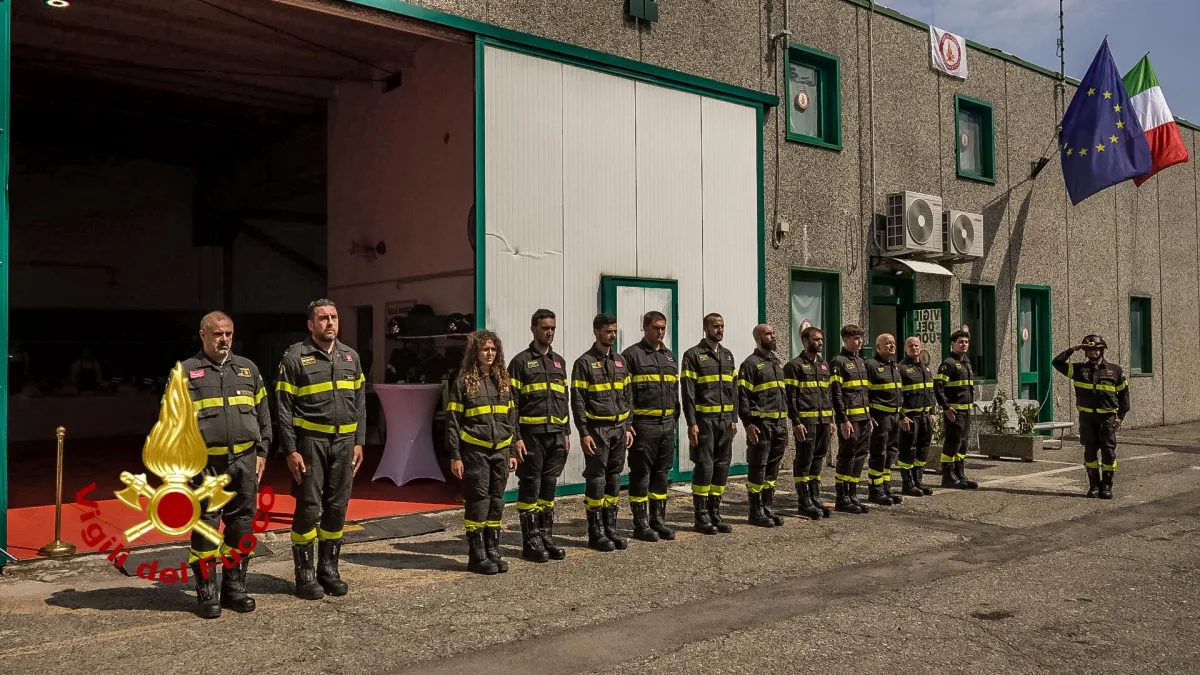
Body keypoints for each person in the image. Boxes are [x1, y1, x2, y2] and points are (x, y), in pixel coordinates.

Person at [181, 311, 271, 619]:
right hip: (205, 463)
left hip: (245, 459)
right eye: (218, 334)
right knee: (206, 527)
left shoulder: (248, 369)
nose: (224, 340)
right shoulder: (185, 372)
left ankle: (234, 589)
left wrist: (262, 452)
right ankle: (207, 593)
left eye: (229, 334)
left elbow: (263, 413)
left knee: (242, 524)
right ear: (203, 335)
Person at [275, 299, 366, 600]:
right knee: (309, 508)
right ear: (311, 325)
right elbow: (283, 409)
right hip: (310, 443)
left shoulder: (350, 357)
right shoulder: (295, 357)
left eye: (334, 317)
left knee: (338, 508)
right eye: (323, 318)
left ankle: (329, 570)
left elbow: (361, 405)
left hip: (344, 445)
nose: (330, 322)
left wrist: (359, 443)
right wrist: (290, 449)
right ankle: (305, 575)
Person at [447, 330, 519, 574]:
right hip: (475, 452)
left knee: (497, 501)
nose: (490, 353)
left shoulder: (503, 382)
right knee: (478, 502)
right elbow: (453, 422)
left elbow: (511, 418)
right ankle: (476, 555)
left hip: (500, 451)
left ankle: (492, 549)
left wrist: (510, 450)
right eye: (485, 349)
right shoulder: (463, 383)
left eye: (493, 349)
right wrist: (455, 455)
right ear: (475, 353)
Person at [508, 309, 571, 562]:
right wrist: (516, 437)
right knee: (530, 486)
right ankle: (530, 540)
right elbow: (511, 403)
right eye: (545, 327)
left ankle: (546, 535)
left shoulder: (559, 362)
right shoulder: (520, 362)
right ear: (533, 329)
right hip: (531, 437)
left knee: (549, 487)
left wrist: (566, 431)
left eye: (553, 328)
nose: (550, 332)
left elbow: (564, 400)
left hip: (555, 435)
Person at [571, 313, 634, 552]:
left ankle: (611, 528)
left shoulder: (619, 361)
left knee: (615, 477)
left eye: (615, 331)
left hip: (619, 428)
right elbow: (578, 401)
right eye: (608, 331)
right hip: (597, 430)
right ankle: (595, 532)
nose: (613, 335)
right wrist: (583, 432)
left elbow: (627, 396)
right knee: (597, 479)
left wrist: (628, 425)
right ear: (596, 332)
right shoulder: (584, 363)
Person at [621, 311, 680, 542]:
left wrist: (674, 420)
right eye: (656, 327)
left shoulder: (669, 357)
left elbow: (674, 392)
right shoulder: (632, 356)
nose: (660, 332)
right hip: (643, 427)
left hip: (666, 425)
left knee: (661, 475)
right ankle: (641, 523)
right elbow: (626, 394)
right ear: (644, 327)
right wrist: (629, 423)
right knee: (641, 475)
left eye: (663, 328)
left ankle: (658, 520)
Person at [680, 313, 739, 534]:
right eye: (715, 326)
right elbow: (688, 393)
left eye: (722, 326)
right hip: (705, 422)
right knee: (705, 467)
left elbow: (734, 391)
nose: (720, 330)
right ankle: (701, 515)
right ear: (706, 328)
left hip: (725, 422)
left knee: (722, 466)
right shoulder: (693, 355)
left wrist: (734, 419)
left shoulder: (728, 356)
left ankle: (715, 512)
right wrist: (691, 423)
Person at [1052, 335, 1130, 499]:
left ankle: (1107, 486)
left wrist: (1120, 417)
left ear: (1101, 350)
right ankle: (1094, 486)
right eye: (1088, 348)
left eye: (1095, 348)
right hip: (1087, 418)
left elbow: (1124, 395)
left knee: (1108, 453)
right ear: (1085, 351)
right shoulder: (1078, 370)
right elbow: (1056, 363)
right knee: (1090, 452)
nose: (1092, 351)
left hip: (1107, 419)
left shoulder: (1115, 370)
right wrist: (1074, 348)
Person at [737, 324, 789, 527]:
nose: (773, 336)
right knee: (758, 467)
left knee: (772, 468)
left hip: (779, 424)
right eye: (769, 334)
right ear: (758, 338)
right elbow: (743, 398)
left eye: (773, 333)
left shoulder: (776, 362)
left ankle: (767, 506)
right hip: (761, 425)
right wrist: (748, 424)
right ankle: (755, 510)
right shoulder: (750, 364)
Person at [784, 326, 834, 520]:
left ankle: (814, 497)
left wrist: (830, 421)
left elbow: (827, 395)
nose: (820, 342)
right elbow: (791, 397)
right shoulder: (794, 366)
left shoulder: (823, 365)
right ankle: (803, 501)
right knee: (804, 461)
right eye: (816, 339)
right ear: (805, 341)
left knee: (818, 460)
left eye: (821, 339)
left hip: (823, 422)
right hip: (806, 422)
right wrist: (796, 422)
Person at [829, 324, 872, 514]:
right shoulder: (838, 362)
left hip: (863, 417)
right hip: (850, 419)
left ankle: (852, 494)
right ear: (845, 340)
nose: (860, 341)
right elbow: (836, 394)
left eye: (861, 338)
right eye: (856, 338)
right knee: (847, 456)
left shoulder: (861, 362)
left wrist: (869, 417)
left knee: (860, 456)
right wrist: (843, 419)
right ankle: (842, 497)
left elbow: (864, 393)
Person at [934, 330, 978, 489]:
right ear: (953, 344)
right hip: (954, 412)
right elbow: (938, 387)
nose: (964, 344)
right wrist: (946, 408)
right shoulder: (949, 363)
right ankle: (947, 476)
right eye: (960, 342)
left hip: (966, 412)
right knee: (952, 443)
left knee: (963, 444)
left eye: (966, 342)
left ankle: (960, 473)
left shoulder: (966, 362)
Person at [864, 334, 905, 506]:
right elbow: (864, 394)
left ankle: (885, 486)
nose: (891, 346)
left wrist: (902, 416)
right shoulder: (871, 366)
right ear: (878, 347)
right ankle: (875, 490)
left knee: (891, 453)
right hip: (880, 418)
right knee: (878, 454)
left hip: (895, 417)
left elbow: (898, 394)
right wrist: (869, 416)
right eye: (887, 344)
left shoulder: (894, 366)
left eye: (893, 343)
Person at [897, 337, 935, 497]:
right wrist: (902, 416)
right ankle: (907, 483)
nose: (914, 348)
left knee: (923, 449)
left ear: (921, 347)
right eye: (910, 346)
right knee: (908, 450)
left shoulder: (925, 369)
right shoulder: (901, 368)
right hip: (910, 418)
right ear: (905, 348)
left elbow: (930, 393)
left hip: (925, 417)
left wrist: (932, 413)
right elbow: (897, 395)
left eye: (916, 345)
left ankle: (918, 480)